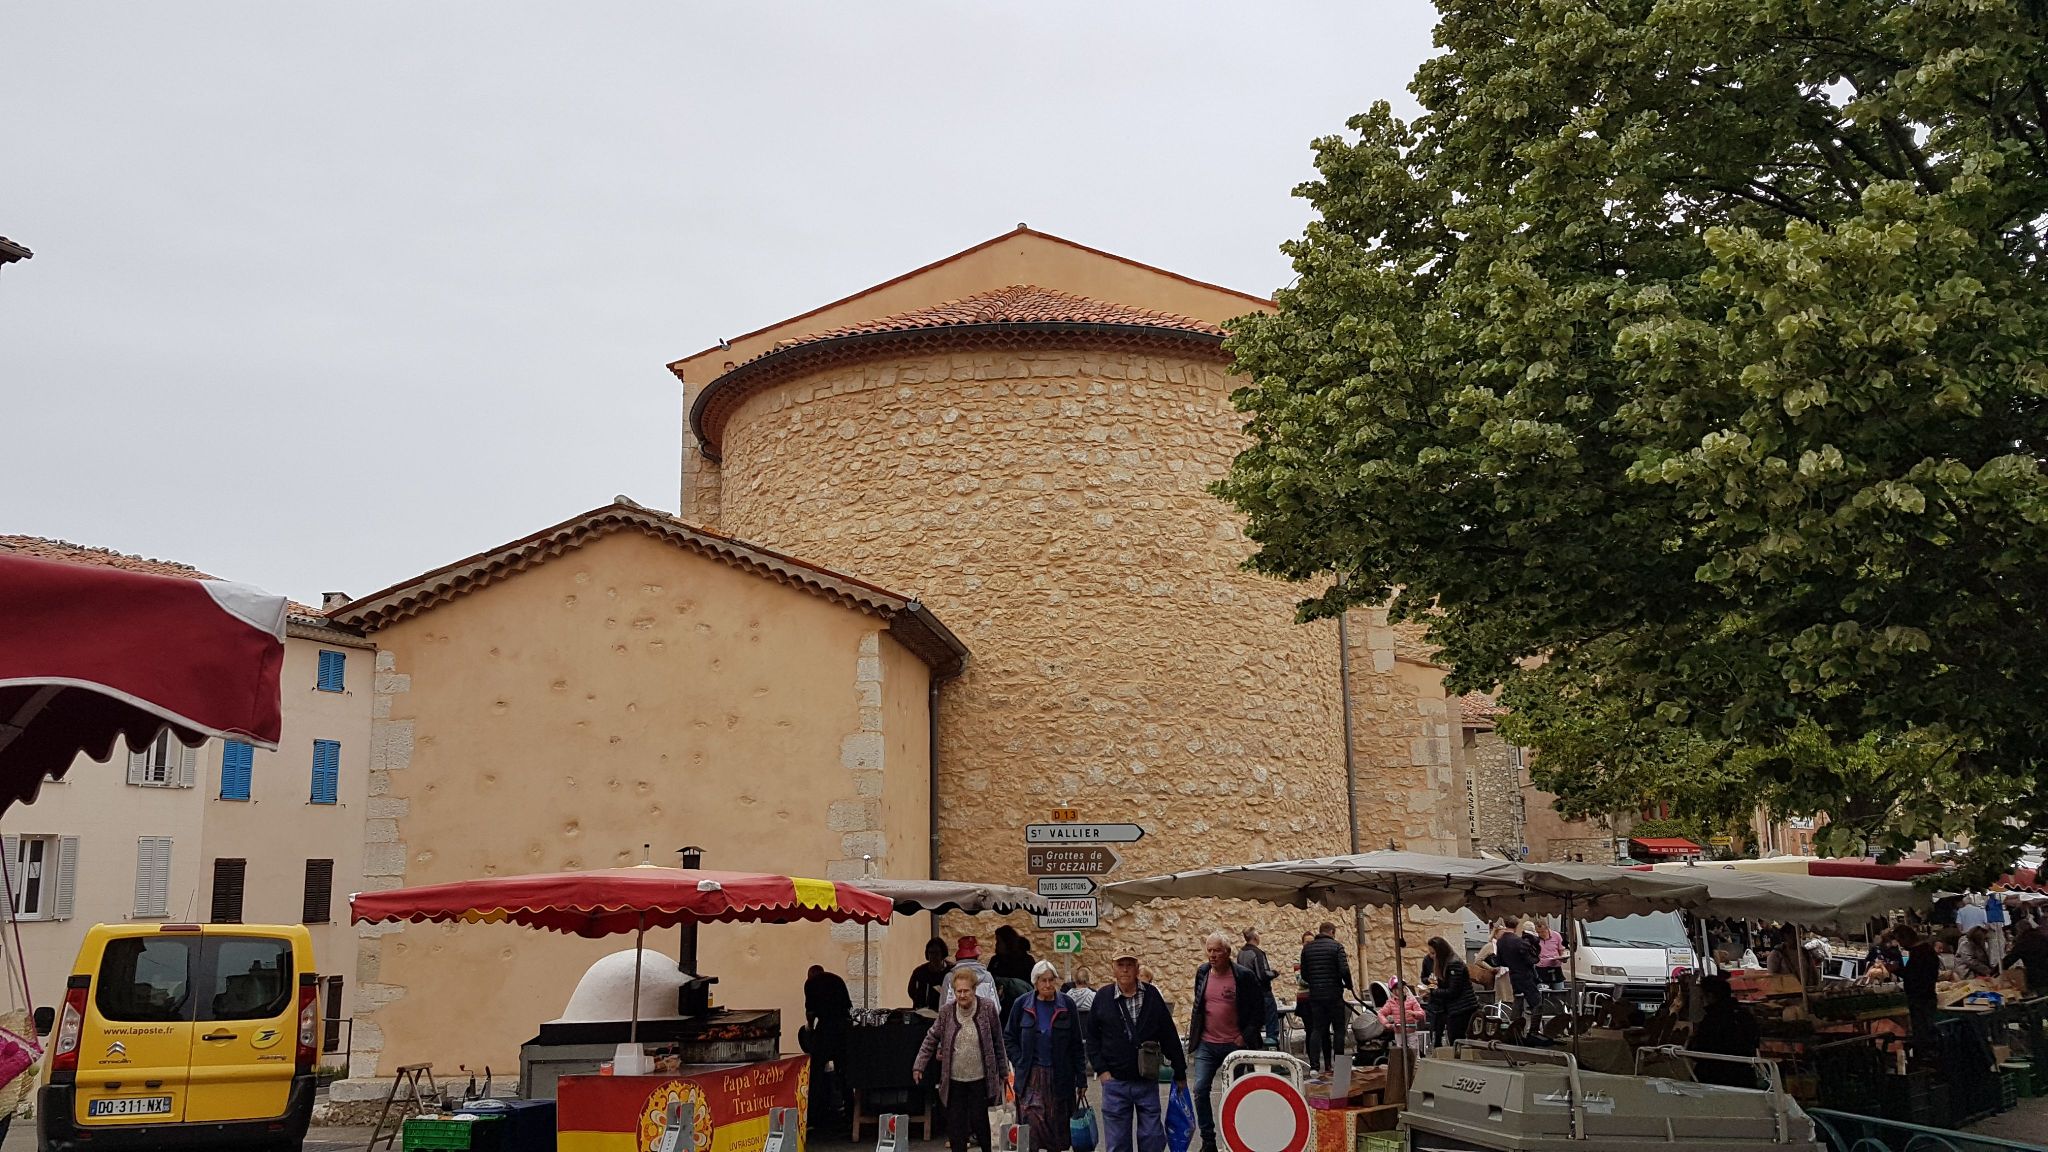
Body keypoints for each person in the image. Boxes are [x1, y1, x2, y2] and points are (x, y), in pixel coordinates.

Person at [1086, 952, 1186, 1152]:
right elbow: (1092, 1038)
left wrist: (1180, 1071)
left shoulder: (1151, 996)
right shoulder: (1103, 997)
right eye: (1120, 964)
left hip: (1146, 1081)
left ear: (1137, 967)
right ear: (1113, 968)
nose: (1125, 969)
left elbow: (1168, 1034)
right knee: (1117, 1144)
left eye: (1129, 965)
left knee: (1152, 1139)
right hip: (1115, 1082)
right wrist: (1102, 1071)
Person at [915, 968, 1010, 1152]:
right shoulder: (946, 1012)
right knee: (956, 1129)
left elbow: (998, 1041)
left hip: (981, 1081)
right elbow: (931, 1038)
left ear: (974, 989)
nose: (962, 995)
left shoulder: (988, 1008)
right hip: (955, 1081)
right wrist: (919, 1065)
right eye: (958, 991)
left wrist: (1004, 1071)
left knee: (982, 1125)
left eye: (966, 990)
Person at [1189, 932, 1266, 1152]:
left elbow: (1258, 1011)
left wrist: (1245, 1036)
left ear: (1228, 952)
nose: (1212, 955)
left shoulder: (1243, 976)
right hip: (1207, 1042)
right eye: (1209, 950)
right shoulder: (1202, 973)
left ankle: (1237, 1138)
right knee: (1200, 1089)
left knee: (1235, 1093)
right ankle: (1209, 1140)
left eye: (1217, 951)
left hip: (1235, 1044)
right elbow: (1199, 1005)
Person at [1009, 961, 1087, 1152]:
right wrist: (1019, 1060)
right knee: (1031, 1127)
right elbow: (1009, 1037)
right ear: (1035, 982)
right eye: (1043, 980)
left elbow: (1077, 1043)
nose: (1047, 985)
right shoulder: (1022, 1004)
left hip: (1059, 1076)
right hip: (1031, 1077)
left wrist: (1081, 1079)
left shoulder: (1066, 1005)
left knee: (1057, 1129)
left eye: (1051, 980)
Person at [1298, 922, 1354, 1073]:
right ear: (1332, 932)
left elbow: (1304, 974)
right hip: (1334, 994)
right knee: (1339, 1030)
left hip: (1316, 995)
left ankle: (1315, 1066)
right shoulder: (1337, 947)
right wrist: (1349, 984)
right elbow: (1344, 970)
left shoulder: (1307, 949)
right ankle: (1340, 1065)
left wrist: (1315, 983)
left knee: (1317, 1029)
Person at [1687, 975, 1760, 1088]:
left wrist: (1691, 1041)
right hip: (1745, 1077)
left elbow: (1698, 1051)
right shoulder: (1745, 1015)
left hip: (1715, 1078)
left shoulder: (1712, 1019)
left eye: (1702, 997)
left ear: (1710, 996)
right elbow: (1755, 1043)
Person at [804, 964, 855, 1123]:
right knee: (844, 1069)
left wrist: (810, 1030)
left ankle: (815, 1112)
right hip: (844, 1027)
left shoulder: (811, 983)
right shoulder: (837, 979)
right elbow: (848, 1007)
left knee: (816, 1069)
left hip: (827, 1027)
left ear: (810, 974)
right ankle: (850, 1110)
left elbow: (811, 1012)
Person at [1424, 936, 1478, 1048]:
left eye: (1433, 953)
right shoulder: (1443, 964)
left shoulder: (1454, 964)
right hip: (1454, 1008)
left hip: (1462, 1008)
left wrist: (1433, 992)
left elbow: (1453, 991)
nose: (1431, 956)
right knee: (1453, 1038)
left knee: (1457, 1039)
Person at [1494, 920, 1542, 1040]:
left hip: (1513, 975)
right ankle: (1534, 1032)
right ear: (1516, 926)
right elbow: (1532, 959)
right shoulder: (1519, 941)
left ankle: (1514, 1030)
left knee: (1518, 1000)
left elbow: (1500, 962)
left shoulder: (1500, 942)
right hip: (1525, 975)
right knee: (1537, 1003)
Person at [1894, 924, 1940, 1042]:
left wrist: (1895, 969)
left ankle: (1926, 1054)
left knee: (1923, 1031)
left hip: (1921, 998)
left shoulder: (1919, 953)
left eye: (1900, 940)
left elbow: (1913, 975)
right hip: (1927, 995)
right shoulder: (1927, 950)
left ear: (1906, 938)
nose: (1900, 944)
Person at [1238, 927, 1282, 1048]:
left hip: (1246, 995)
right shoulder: (1257, 953)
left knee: (1253, 1025)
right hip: (1262, 993)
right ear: (1255, 937)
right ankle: (1272, 1053)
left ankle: (1254, 1053)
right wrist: (1275, 973)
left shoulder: (1241, 953)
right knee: (1271, 1026)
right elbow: (1262, 975)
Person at [1378, 978, 1429, 1052]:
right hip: (1399, 1032)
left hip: (1411, 1031)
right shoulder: (1391, 1003)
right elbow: (1381, 1013)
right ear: (1393, 991)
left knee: (1413, 1051)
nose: (1401, 990)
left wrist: (1414, 1013)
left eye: (1403, 987)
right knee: (1400, 1052)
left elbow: (1422, 1013)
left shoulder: (1411, 1000)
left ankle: (1415, 1062)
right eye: (1398, 988)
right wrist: (1386, 1024)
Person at [2001, 917, 2048, 996]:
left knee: (2041, 997)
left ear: (2020, 930)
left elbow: (2010, 959)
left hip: (2036, 976)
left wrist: (1997, 969)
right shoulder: (2043, 937)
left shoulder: (2023, 942)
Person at [910, 937, 955, 1011]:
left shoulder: (952, 971)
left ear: (943, 953)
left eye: (937, 953)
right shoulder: (919, 972)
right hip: (923, 1012)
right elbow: (911, 991)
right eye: (931, 953)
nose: (933, 956)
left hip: (946, 1011)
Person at [953, 936, 1000, 1004]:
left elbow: (943, 1010)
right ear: (976, 956)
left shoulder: (950, 977)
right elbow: (996, 1008)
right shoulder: (987, 976)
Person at [1533, 920, 1567, 988]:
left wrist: (1563, 958)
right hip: (1541, 969)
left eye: (1543, 931)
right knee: (1543, 993)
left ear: (1547, 928)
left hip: (1556, 968)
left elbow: (1562, 950)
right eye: (1538, 932)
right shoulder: (1535, 938)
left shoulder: (1556, 935)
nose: (1541, 934)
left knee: (1559, 991)